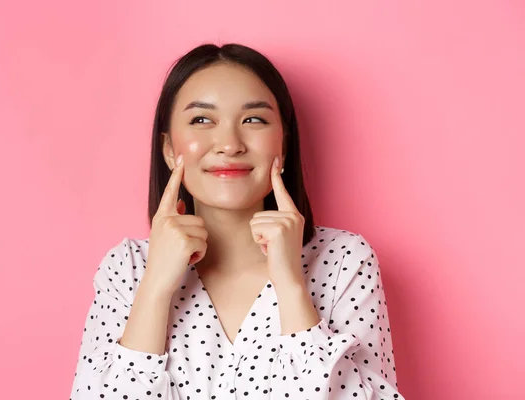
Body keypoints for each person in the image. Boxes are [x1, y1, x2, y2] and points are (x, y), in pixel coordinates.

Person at [69, 43, 405, 399]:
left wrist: (291, 285)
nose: (229, 144)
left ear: (283, 145)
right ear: (169, 149)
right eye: (202, 120)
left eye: (253, 120)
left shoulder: (343, 261)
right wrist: (154, 290)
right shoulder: (128, 268)